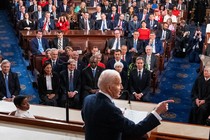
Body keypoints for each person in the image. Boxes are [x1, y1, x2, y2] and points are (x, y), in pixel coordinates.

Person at [82, 69, 174, 140]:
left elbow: (86, 117)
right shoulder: (111, 110)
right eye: (119, 84)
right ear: (109, 88)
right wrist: (157, 112)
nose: (121, 87)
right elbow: (135, 131)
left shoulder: (88, 99)